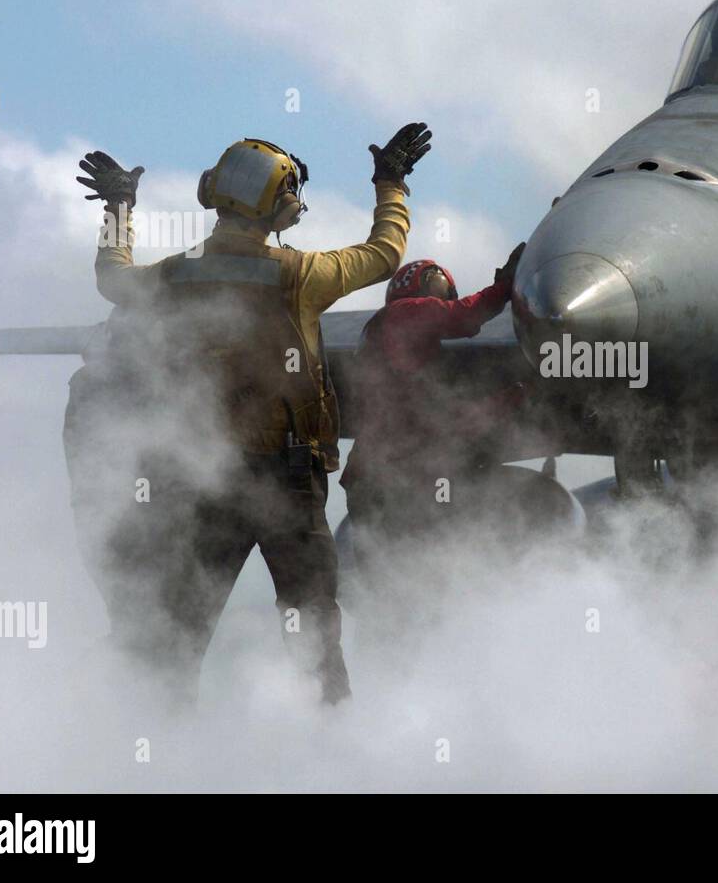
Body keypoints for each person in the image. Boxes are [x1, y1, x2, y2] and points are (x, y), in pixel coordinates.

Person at [69, 124, 430, 704]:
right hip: (289, 483)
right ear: (282, 205)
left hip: (207, 478)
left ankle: (152, 754)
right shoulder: (301, 276)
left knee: (177, 636)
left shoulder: (173, 277)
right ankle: (336, 757)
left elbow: (111, 276)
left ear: (212, 192)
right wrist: (391, 182)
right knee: (313, 636)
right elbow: (385, 253)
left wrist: (118, 203)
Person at [339, 244, 526, 594]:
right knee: (426, 588)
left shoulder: (386, 342)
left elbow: (441, 418)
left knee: (391, 593)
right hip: (400, 485)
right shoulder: (404, 314)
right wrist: (505, 288)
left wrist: (510, 398)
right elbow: (463, 317)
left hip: (375, 482)